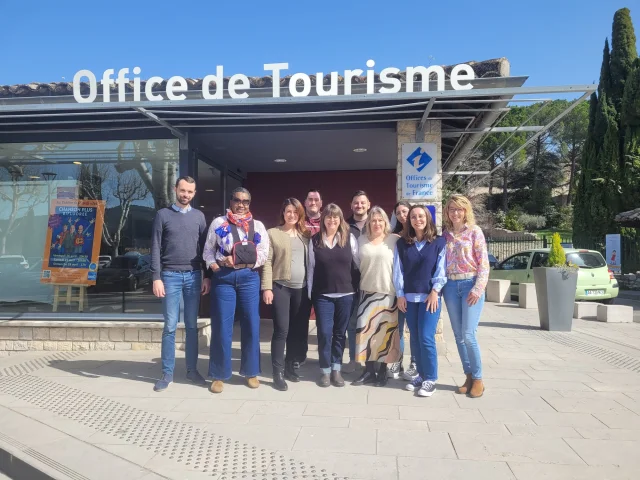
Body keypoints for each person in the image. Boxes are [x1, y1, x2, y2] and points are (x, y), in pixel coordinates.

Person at [203, 187, 269, 394]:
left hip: (249, 278)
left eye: (246, 201)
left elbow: (264, 254)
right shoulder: (218, 223)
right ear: (230, 201)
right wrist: (217, 266)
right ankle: (219, 374)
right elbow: (208, 251)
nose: (241, 205)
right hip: (223, 279)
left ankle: (251, 372)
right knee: (222, 326)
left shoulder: (257, 226)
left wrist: (240, 261)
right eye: (237, 200)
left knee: (251, 323)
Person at [151, 176, 211, 392]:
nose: (186, 195)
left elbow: (206, 249)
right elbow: (156, 247)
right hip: (169, 277)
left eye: (190, 192)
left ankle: (192, 370)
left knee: (192, 326)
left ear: (194, 193)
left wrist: (206, 277)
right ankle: (167, 373)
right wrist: (156, 277)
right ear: (175, 189)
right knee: (169, 326)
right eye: (183, 190)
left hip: (194, 276)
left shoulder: (199, 217)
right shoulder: (162, 215)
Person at [393, 205, 446, 397]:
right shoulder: (402, 244)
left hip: (430, 298)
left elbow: (441, 270)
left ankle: (431, 378)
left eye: (421, 216)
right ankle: (421, 376)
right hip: (409, 298)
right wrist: (400, 294)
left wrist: (435, 292)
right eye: (413, 217)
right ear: (410, 221)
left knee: (426, 337)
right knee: (414, 338)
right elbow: (398, 271)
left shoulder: (439, 242)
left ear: (428, 218)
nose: (417, 219)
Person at [261, 198, 311, 391]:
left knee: (297, 331)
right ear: (283, 213)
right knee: (282, 329)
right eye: (288, 211)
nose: (291, 215)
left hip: (302, 289)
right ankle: (277, 372)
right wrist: (267, 287)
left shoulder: (305, 235)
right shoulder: (273, 233)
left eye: (295, 212)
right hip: (281, 287)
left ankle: (291, 365)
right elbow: (267, 261)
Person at [442, 194, 489, 398]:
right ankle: (468, 376)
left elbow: (484, 263)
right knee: (459, 336)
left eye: (459, 209)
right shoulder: (445, 235)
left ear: (466, 211)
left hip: (470, 285)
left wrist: (478, 289)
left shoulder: (474, 232)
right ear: (447, 212)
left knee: (469, 335)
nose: (455, 212)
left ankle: (478, 379)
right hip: (451, 286)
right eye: (452, 209)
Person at [308, 203, 359, 387]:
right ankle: (325, 370)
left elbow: (358, 262)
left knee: (339, 333)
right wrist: (310, 293)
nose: (332, 220)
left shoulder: (349, 238)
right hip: (323, 295)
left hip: (346, 294)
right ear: (323, 220)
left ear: (340, 219)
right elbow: (311, 269)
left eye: (335, 217)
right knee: (324, 332)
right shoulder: (314, 240)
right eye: (328, 217)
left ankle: (336, 369)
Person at [351, 206, 400, 387]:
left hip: (388, 293)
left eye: (380, 220)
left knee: (385, 334)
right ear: (369, 223)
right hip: (366, 293)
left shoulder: (394, 240)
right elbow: (356, 263)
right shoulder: (361, 240)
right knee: (367, 333)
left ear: (385, 222)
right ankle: (369, 371)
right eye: (373, 220)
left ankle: (383, 372)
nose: (377, 223)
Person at [388, 200, 417, 381]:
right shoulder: (395, 237)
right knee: (398, 329)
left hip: (416, 291)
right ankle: (398, 361)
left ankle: (414, 363)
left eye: (405, 211)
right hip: (398, 291)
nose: (402, 215)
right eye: (398, 213)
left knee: (413, 330)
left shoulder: (421, 235)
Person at [344, 190, 370, 373]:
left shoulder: (377, 223)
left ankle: (373, 362)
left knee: (372, 323)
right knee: (352, 324)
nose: (359, 206)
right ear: (351, 205)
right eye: (356, 203)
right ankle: (354, 360)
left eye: (362, 203)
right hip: (351, 283)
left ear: (368, 205)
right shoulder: (344, 226)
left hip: (372, 282)